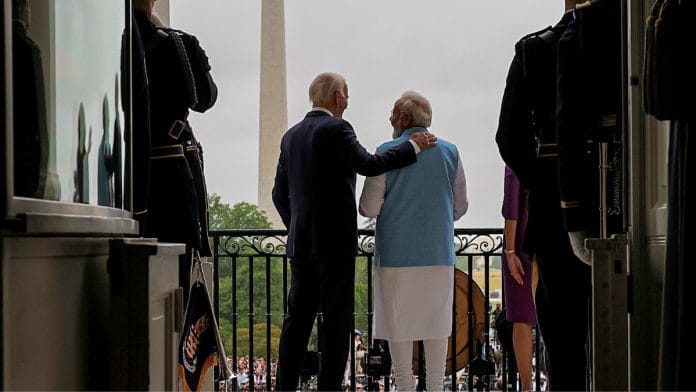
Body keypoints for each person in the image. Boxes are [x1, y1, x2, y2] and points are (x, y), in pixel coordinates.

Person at [272, 73, 437, 391]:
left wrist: (297, 226)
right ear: (337, 96)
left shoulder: (291, 136)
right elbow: (370, 164)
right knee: (336, 322)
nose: (348, 101)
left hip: (301, 242)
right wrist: (412, 147)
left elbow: (279, 195)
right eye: (346, 95)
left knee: (297, 321)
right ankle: (329, 387)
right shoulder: (338, 128)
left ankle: (285, 387)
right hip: (335, 243)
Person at [495, 2, 592, 389]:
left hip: (556, 217)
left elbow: (509, 137)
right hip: (618, 209)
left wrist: (547, 184)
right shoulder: (622, 44)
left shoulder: (533, 50)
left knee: (564, 340)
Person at [359, 91, 468, 392]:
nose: (390, 118)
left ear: (404, 119)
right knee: (436, 341)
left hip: (395, 257)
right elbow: (460, 206)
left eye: (393, 113)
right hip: (437, 255)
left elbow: (368, 208)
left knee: (400, 340)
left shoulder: (386, 151)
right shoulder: (451, 152)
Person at [132, 0, 217, 299]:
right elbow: (205, 98)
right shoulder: (175, 44)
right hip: (167, 171)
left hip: (117, 175)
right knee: (177, 270)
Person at [501, 165, 537, 391]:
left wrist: (510, 251)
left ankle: (526, 386)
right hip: (556, 235)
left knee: (522, 319)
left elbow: (511, 205)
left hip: (522, 241)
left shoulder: (516, 154)